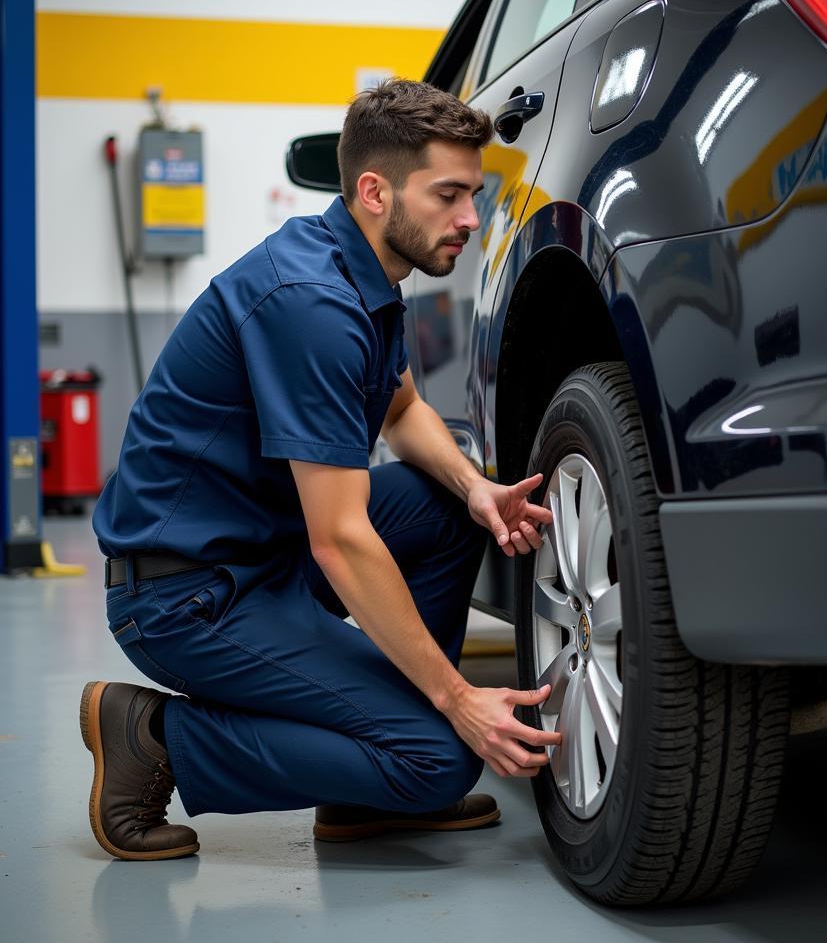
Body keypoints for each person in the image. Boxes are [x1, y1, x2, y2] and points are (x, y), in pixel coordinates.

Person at [81, 78, 560, 861]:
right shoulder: (314, 304)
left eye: (474, 194)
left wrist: (477, 491)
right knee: (438, 758)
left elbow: (403, 413)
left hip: (262, 555)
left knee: (446, 502)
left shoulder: (364, 272)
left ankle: (359, 786)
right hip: (184, 596)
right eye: (448, 195)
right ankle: (154, 736)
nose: (471, 218)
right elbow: (340, 540)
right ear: (375, 190)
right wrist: (458, 700)